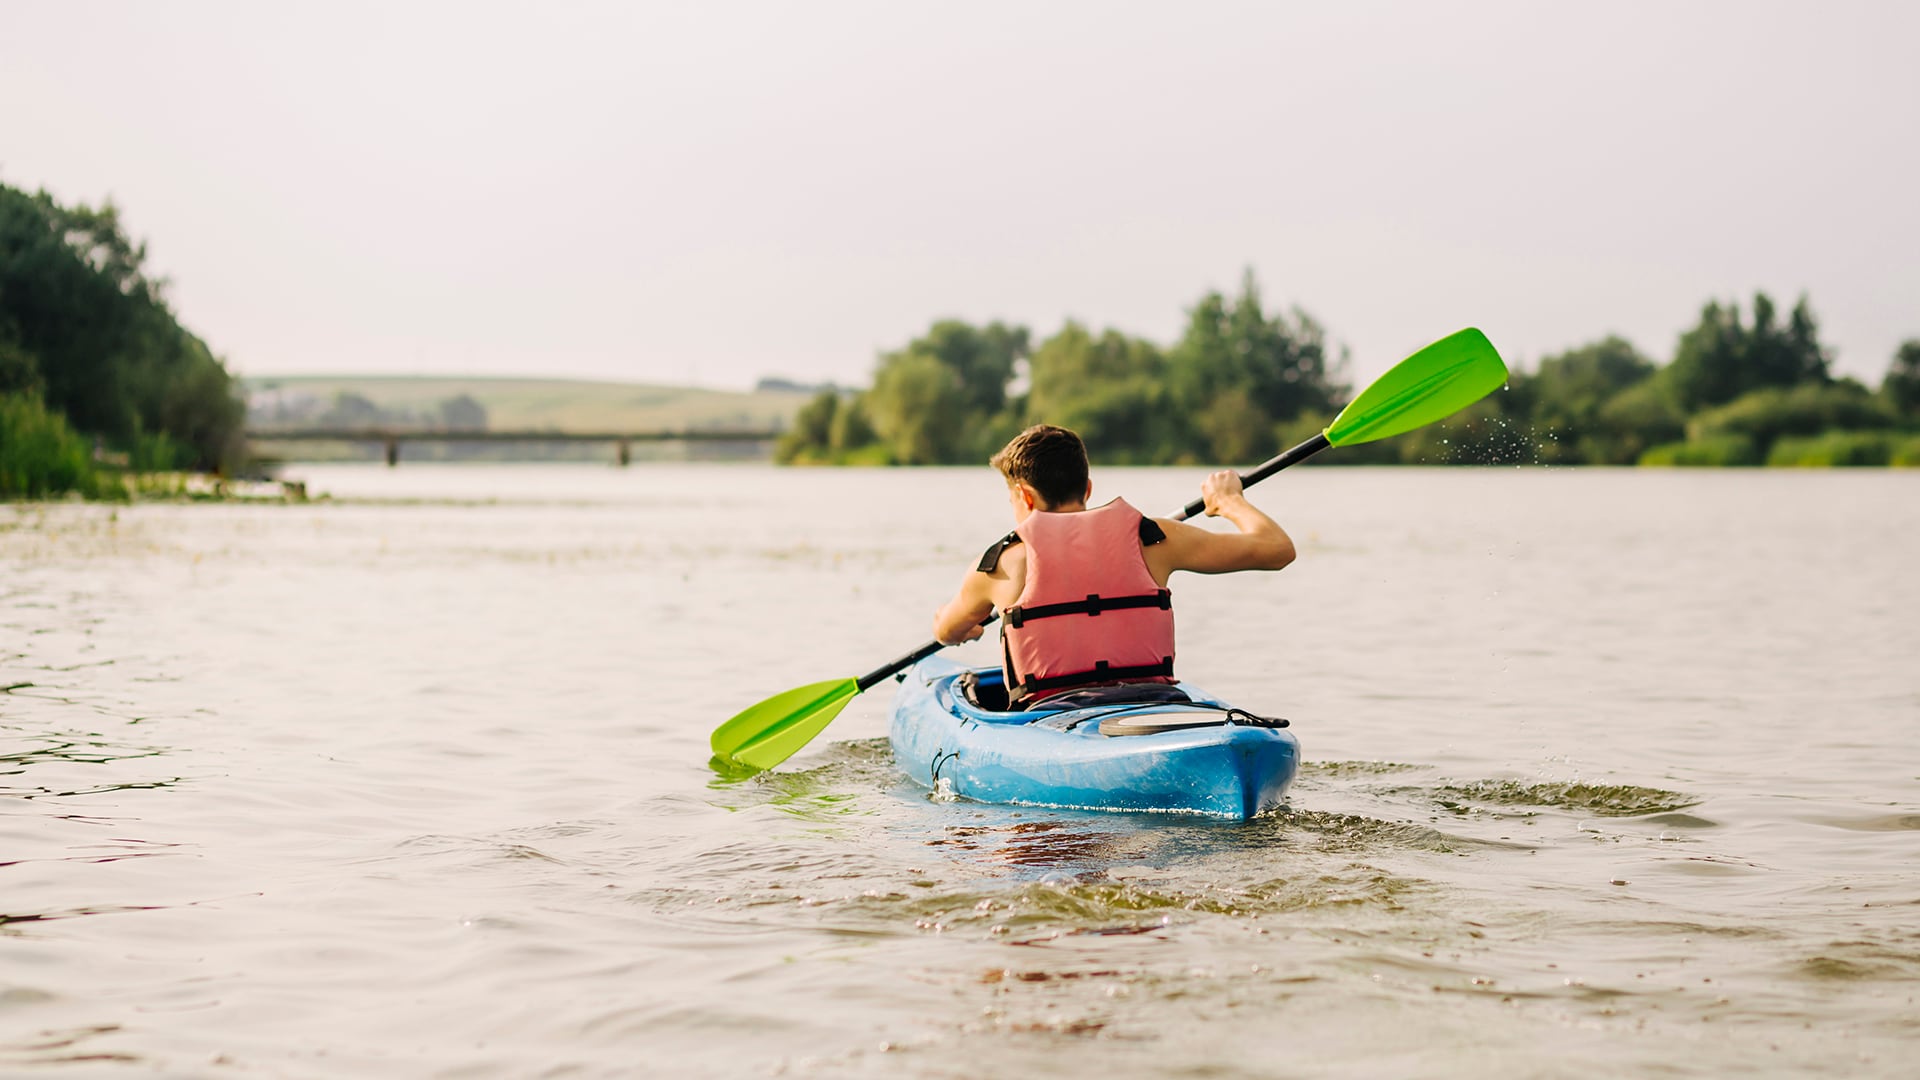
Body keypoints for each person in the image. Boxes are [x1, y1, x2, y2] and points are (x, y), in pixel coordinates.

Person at [932, 424, 1296, 709]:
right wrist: (1230, 501)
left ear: (1024, 496)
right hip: (1157, 705)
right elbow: (1276, 549)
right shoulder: (1153, 537)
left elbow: (946, 631)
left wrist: (966, 628)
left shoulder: (1001, 564)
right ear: (1087, 488)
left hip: (1054, 718)